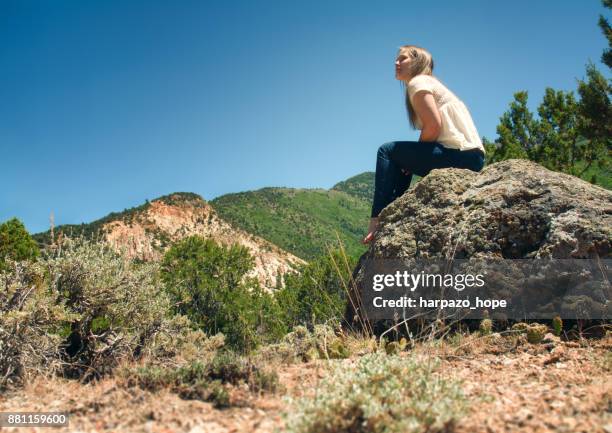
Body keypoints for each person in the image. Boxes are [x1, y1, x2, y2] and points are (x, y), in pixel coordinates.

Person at [362, 45, 486, 244]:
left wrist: (411, 158)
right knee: (401, 160)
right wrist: (409, 161)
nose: (396, 63)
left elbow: (433, 126)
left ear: (417, 61)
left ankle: (377, 219)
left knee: (386, 151)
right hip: (472, 158)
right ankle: (393, 212)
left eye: (402, 59)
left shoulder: (418, 82)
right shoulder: (431, 84)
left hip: (460, 155)